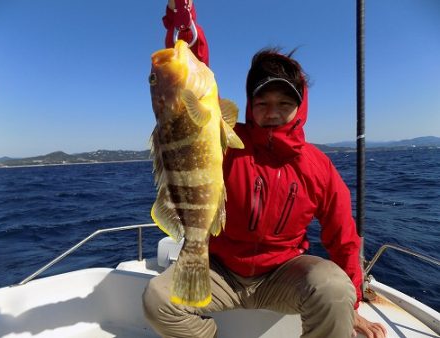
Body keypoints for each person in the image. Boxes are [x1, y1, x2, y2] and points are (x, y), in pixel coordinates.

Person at [143, 1, 387, 337]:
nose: (272, 112)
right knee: (158, 300)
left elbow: (343, 236)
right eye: (262, 103)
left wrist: (353, 304)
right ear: (249, 106)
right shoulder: (227, 140)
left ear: (300, 107)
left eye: (284, 104)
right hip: (220, 270)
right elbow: (188, 89)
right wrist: (183, 22)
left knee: (335, 289)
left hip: (282, 275)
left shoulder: (318, 167)